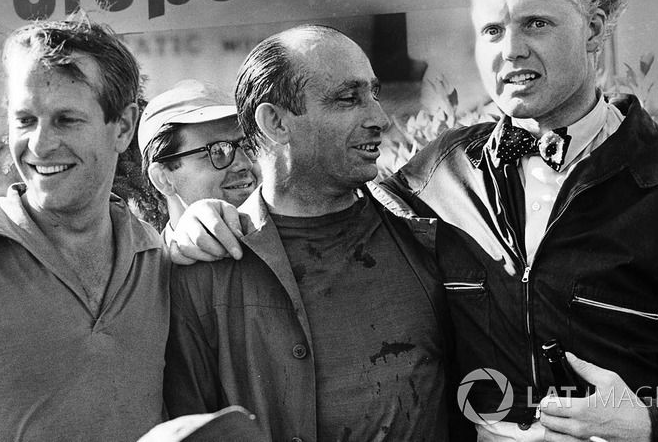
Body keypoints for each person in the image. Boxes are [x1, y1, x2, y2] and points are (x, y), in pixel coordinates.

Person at [169, 0, 658, 442]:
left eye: (536, 23)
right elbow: (320, 205)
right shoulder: (441, 172)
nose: (512, 50)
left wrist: (656, 422)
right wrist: (199, 219)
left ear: (594, 28)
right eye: (492, 30)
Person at [163, 25, 450, 441]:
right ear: (275, 122)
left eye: (374, 94)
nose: (379, 119)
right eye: (348, 98)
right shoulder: (205, 269)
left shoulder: (425, 233)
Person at [0, 18, 172, 441]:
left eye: (67, 120)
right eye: (25, 120)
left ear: (122, 126)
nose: (41, 145)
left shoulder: (159, 260)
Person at [138, 79, 259, 240]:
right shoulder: (149, 256)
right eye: (217, 151)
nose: (245, 163)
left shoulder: (286, 245)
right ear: (163, 178)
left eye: (248, 146)